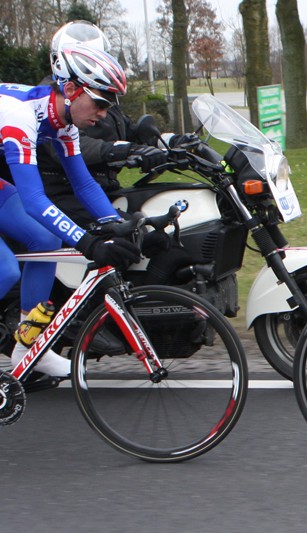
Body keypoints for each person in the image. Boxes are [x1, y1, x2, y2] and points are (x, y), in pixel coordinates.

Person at [0, 43, 140, 378]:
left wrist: (118, 226)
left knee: (45, 241)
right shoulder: (19, 116)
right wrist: (88, 243)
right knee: (5, 270)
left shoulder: (63, 123)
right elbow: (35, 200)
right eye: (101, 102)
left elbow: (85, 185)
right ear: (72, 89)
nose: (104, 114)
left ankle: (28, 347)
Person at [36, 20, 168, 228]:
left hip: (98, 186)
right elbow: (70, 146)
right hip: (62, 192)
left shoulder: (101, 97)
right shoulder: (47, 102)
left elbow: (129, 131)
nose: (94, 67)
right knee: (132, 235)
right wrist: (120, 151)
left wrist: (170, 141)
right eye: (86, 60)